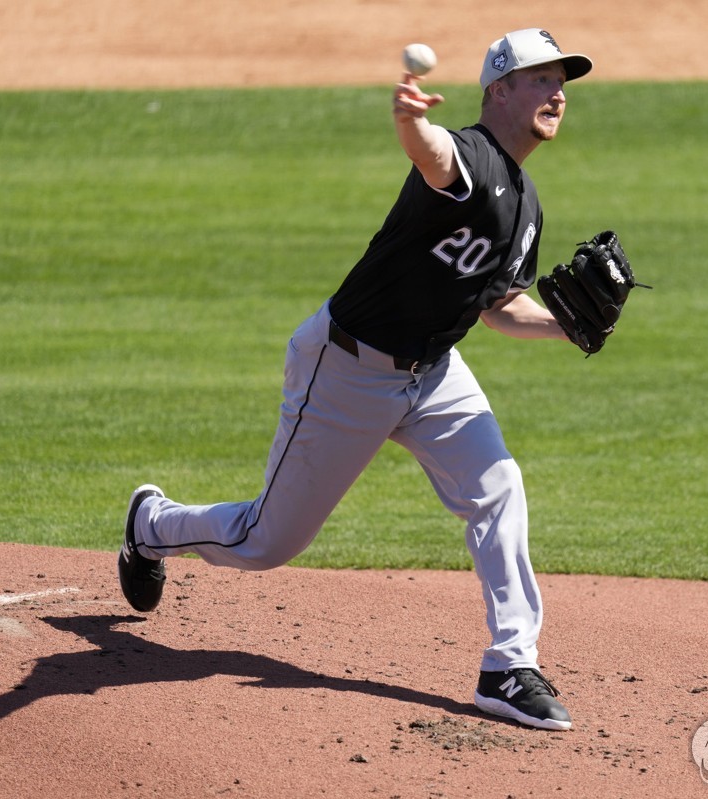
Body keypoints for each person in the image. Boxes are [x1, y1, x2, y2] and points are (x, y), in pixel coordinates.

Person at [118, 28, 593, 732]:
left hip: (433, 373)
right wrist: (411, 121)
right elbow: (434, 160)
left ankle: (510, 664)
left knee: (500, 487)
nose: (557, 92)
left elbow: (497, 308)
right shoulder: (468, 154)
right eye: (540, 78)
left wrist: (564, 324)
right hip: (346, 369)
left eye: (563, 81)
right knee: (266, 542)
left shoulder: (527, 205)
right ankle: (150, 524)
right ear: (498, 89)